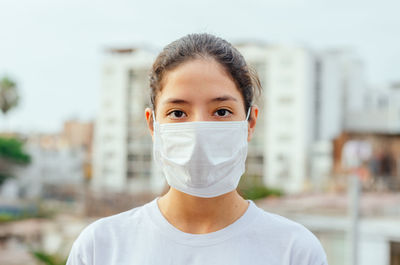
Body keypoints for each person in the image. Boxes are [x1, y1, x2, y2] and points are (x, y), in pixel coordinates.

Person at [66, 33, 328, 265]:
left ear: (250, 122)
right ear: (152, 124)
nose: (199, 130)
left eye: (221, 111)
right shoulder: (100, 247)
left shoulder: (295, 251)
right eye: (178, 113)